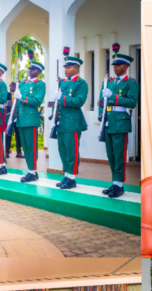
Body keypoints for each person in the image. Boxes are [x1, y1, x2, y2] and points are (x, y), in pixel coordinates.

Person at [98, 44, 139, 198]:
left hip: (120, 121)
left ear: (126, 66)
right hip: (108, 121)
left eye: (119, 64)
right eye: (114, 64)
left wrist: (114, 97)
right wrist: (100, 115)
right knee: (111, 154)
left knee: (119, 154)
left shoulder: (131, 83)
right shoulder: (107, 82)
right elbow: (101, 101)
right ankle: (115, 182)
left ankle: (119, 185)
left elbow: (132, 103)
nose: (115, 67)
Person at [54, 47, 88, 190]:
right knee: (63, 150)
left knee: (72, 150)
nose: (65, 69)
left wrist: (62, 98)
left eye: (69, 67)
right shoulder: (63, 83)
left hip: (73, 122)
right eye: (65, 67)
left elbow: (79, 101)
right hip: (61, 122)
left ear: (76, 68)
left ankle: (72, 178)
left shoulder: (81, 83)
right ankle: (67, 175)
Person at [15, 57, 46, 183]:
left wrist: (22, 97)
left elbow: (37, 101)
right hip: (21, 119)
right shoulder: (23, 84)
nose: (30, 71)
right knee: (25, 147)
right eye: (30, 69)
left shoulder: (40, 84)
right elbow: (18, 103)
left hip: (31, 119)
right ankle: (30, 170)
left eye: (33, 69)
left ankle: (32, 172)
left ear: (39, 71)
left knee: (31, 146)